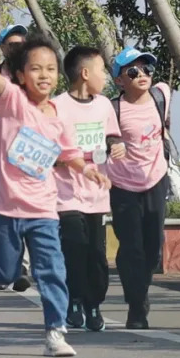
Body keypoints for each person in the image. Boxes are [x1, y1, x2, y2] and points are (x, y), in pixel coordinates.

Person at [0, 10, 111, 357]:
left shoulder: (58, 117)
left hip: (43, 206)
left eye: (50, 69)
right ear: (20, 75)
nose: (44, 75)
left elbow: (69, 152)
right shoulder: (12, 101)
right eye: (35, 69)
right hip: (4, 203)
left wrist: (88, 170)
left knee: (51, 268)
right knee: (7, 272)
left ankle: (55, 332)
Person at [53, 46, 124, 332]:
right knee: (74, 250)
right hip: (66, 195)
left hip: (97, 195)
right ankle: (73, 302)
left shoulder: (104, 106)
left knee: (95, 255)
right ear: (85, 73)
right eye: (101, 71)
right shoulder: (57, 106)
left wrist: (116, 146)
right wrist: (68, 160)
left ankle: (93, 304)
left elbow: (112, 137)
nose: (105, 77)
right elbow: (45, 149)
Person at [106, 46, 171, 330]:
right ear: (119, 80)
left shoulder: (162, 95)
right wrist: (113, 145)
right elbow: (101, 140)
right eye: (133, 71)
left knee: (153, 248)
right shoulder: (112, 109)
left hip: (156, 179)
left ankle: (139, 290)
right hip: (122, 185)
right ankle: (136, 306)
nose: (142, 75)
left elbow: (164, 126)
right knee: (132, 247)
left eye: (147, 69)